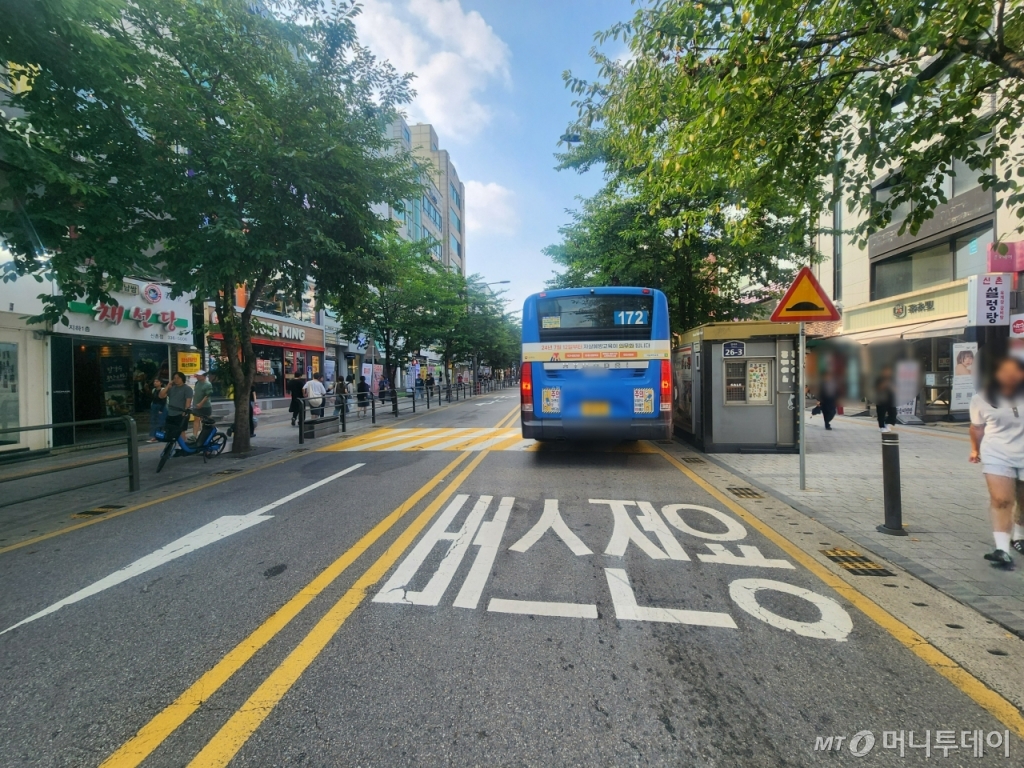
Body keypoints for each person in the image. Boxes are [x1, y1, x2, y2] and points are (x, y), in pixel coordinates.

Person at [969, 355, 1024, 568]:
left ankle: (1018, 535)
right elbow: (977, 428)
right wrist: (975, 449)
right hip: (997, 453)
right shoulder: (981, 398)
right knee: (1001, 499)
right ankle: (1002, 549)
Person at [158, 372, 192, 443]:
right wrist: (167, 386)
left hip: (180, 414)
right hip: (170, 413)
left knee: (181, 431)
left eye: (178, 378)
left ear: (182, 379)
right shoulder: (172, 388)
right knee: (169, 431)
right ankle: (170, 447)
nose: (176, 380)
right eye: (174, 378)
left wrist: (185, 411)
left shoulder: (187, 389)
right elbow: (161, 396)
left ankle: (182, 447)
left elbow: (188, 402)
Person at [191, 370, 214, 440]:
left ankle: (208, 434)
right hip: (196, 404)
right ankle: (194, 436)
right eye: (197, 375)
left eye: (199, 375)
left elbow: (207, 395)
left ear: (203, 376)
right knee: (196, 419)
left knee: (207, 420)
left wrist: (201, 403)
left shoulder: (208, 384)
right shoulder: (197, 383)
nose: (197, 376)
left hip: (205, 406)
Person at [874, 367, 897, 433]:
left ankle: (887, 423)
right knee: (881, 413)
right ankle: (881, 427)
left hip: (890, 399)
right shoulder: (879, 379)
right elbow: (878, 389)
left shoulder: (892, 379)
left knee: (893, 413)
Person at [148, 377, 166, 442]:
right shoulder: (154, 390)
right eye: (154, 381)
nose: (155, 383)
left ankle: (159, 436)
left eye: (157, 381)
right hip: (154, 406)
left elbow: (164, 400)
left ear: (161, 383)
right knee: (153, 422)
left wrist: (161, 410)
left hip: (161, 407)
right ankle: (154, 436)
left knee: (160, 422)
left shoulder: (163, 390)